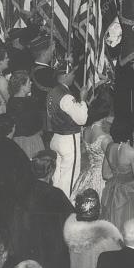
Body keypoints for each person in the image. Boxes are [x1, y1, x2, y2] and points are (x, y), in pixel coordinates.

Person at [7, 150, 73, 268]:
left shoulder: (20, 193)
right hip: (52, 265)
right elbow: (71, 226)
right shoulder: (56, 196)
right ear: (51, 171)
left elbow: (13, 226)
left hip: (25, 256)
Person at [43, 64, 89, 197]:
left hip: (56, 137)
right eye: (72, 73)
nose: (74, 76)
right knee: (70, 178)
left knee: (57, 176)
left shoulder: (52, 92)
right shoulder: (67, 96)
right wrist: (83, 100)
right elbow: (82, 119)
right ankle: (67, 208)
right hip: (69, 140)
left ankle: (56, 203)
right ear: (65, 76)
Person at [100, 117, 134, 233]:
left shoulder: (109, 147)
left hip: (112, 191)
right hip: (128, 195)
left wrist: (118, 178)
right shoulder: (133, 153)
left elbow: (106, 174)